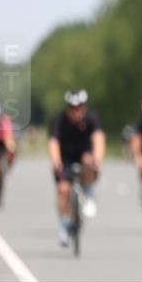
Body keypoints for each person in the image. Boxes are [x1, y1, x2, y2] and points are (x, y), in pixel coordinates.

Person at [48, 89, 105, 246]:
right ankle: (64, 226)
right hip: (65, 158)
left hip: (84, 154)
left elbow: (98, 138)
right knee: (63, 190)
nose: (76, 111)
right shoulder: (59, 119)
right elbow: (53, 142)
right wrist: (55, 160)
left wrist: (98, 159)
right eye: (72, 107)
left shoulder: (91, 118)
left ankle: (88, 194)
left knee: (89, 161)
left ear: (84, 106)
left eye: (79, 107)